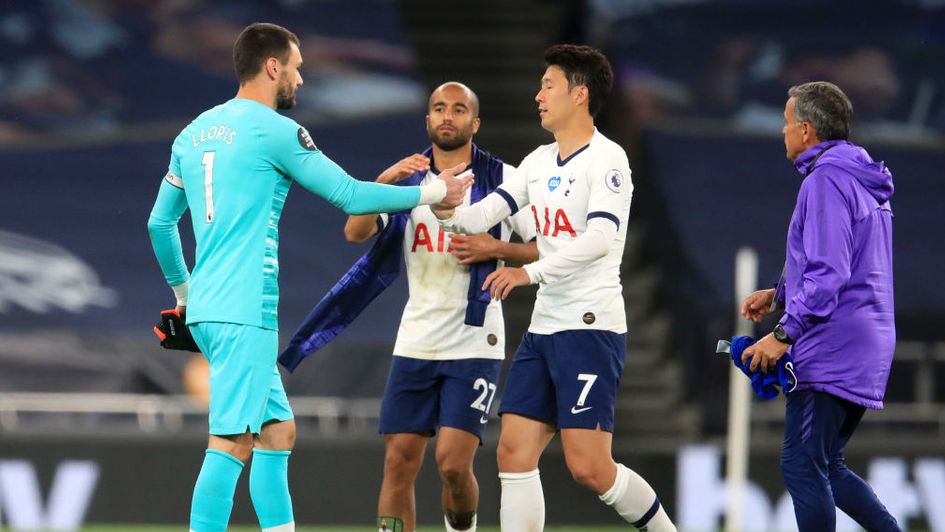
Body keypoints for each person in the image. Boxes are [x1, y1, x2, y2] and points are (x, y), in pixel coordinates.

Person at [146, 22, 471, 532]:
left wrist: (185, 294)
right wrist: (434, 194)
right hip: (244, 309)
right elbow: (351, 197)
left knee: (278, 432)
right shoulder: (275, 131)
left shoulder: (193, 132)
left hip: (210, 308)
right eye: (296, 68)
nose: (300, 78)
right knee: (230, 442)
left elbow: (159, 223)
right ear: (273, 67)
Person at [432, 44, 676, 532]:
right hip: (545, 329)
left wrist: (527, 273)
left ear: (579, 94)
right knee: (514, 451)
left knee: (589, 467)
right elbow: (484, 215)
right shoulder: (538, 161)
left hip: (589, 328)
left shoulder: (608, 160)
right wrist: (444, 205)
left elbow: (601, 240)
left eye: (548, 85)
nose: (537, 95)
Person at [342, 82, 538, 532]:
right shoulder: (411, 180)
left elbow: (546, 247)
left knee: (451, 463)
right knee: (398, 460)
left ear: (475, 122)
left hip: (475, 340)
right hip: (416, 338)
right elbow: (355, 232)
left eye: (459, 108)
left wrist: (496, 248)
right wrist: (386, 179)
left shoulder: (505, 179)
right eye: (438, 108)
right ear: (427, 120)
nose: (447, 115)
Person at [740, 81, 899, 531]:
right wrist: (778, 293)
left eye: (787, 122)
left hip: (834, 342)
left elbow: (829, 273)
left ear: (807, 131)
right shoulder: (859, 176)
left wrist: (782, 333)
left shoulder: (826, 180)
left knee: (801, 463)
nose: (782, 130)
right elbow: (843, 259)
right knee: (828, 463)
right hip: (867, 337)